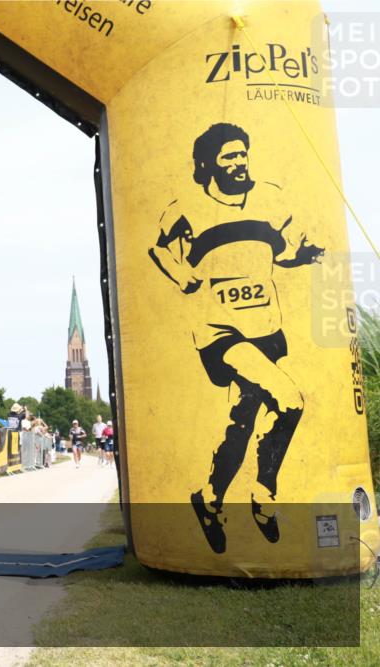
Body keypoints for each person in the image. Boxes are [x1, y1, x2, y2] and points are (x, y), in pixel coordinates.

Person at [149, 123, 321, 554]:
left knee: (241, 425)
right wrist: (182, 274)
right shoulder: (187, 206)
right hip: (220, 332)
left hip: (267, 328)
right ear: (207, 164)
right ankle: (264, 496)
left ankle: (208, 500)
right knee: (291, 399)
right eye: (228, 156)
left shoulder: (270, 198)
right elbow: (160, 248)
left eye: (242, 153)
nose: (239, 162)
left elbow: (281, 253)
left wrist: (304, 255)